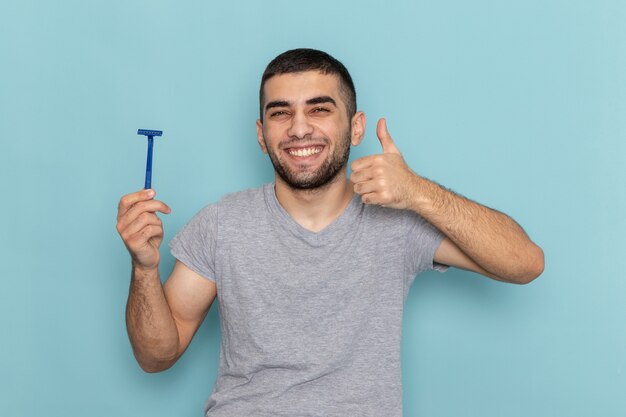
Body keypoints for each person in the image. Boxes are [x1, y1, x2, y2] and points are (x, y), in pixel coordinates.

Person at [116, 48, 544, 416]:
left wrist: (417, 191)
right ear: (262, 135)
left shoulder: (396, 221)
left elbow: (524, 264)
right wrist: (144, 268)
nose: (299, 128)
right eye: (280, 113)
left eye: (319, 109)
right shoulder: (221, 224)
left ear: (356, 127)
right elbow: (156, 356)